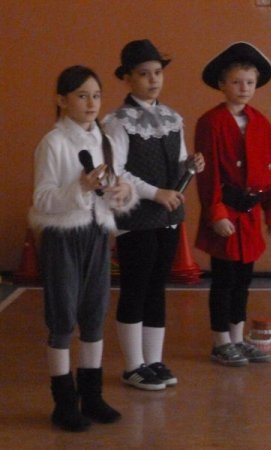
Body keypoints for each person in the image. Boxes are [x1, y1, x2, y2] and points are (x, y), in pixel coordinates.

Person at [30, 65, 138, 431]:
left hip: (96, 235)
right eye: (81, 96)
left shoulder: (104, 140)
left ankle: (91, 397)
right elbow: (43, 199)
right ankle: (64, 403)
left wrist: (122, 192)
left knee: (94, 316)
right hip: (63, 238)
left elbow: (114, 187)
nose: (91, 103)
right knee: (62, 319)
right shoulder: (53, 143)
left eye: (96, 95)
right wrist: (81, 188)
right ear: (62, 100)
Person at [104, 39, 204, 389]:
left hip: (168, 217)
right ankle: (133, 365)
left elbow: (178, 164)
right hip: (135, 218)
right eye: (144, 74)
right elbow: (116, 172)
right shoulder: (117, 122)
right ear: (127, 78)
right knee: (136, 286)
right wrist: (155, 193)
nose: (153, 80)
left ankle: (154, 360)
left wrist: (190, 165)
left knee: (157, 287)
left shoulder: (173, 118)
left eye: (158, 73)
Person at [195, 42, 271, 366]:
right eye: (236, 82)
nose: (243, 88)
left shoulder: (262, 123)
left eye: (249, 82)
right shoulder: (211, 122)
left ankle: (237, 337)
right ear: (222, 84)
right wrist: (216, 213)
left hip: (249, 217)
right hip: (226, 213)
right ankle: (221, 342)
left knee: (243, 282)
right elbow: (209, 175)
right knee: (224, 280)